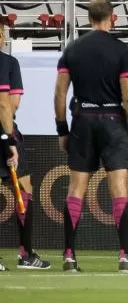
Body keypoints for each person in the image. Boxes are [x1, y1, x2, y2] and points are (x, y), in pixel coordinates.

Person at [54, 0, 128, 273]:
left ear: (88, 18)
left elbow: (60, 93)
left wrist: (62, 129)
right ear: (113, 18)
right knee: (119, 189)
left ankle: (69, 256)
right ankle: (124, 257)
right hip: (113, 122)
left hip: (83, 120)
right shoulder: (121, 51)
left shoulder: (73, 49)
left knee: (75, 190)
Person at [0, 26, 49, 271]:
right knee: (24, 191)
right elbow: (8, 104)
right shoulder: (7, 63)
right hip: (5, 132)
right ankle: (26, 254)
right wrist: (9, 141)